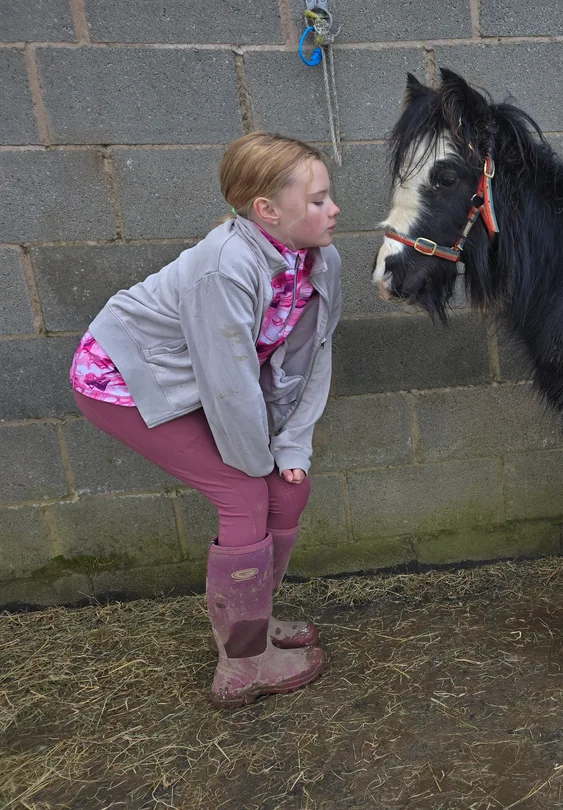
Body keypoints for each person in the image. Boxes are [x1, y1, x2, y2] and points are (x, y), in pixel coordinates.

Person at [70, 132, 342, 709]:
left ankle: (256, 620)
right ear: (267, 211)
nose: (333, 208)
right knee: (245, 494)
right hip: (121, 382)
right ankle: (243, 663)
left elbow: (309, 357)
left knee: (288, 491)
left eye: (328, 196)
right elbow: (229, 386)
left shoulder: (319, 260)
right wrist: (257, 462)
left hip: (209, 382)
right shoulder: (225, 267)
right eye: (317, 199)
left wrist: (291, 448)